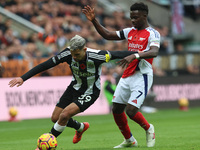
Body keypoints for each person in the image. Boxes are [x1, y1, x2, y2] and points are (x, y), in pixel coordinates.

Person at [8, 35, 137, 149]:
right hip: (74, 88)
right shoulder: (68, 54)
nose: (74, 57)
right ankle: (80, 127)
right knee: (55, 118)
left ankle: (43, 146)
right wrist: (22, 78)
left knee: (64, 116)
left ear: (84, 50)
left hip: (90, 91)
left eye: (77, 54)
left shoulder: (98, 56)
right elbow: (45, 65)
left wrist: (140, 54)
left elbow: (119, 53)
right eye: (72, 54)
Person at [83, 2, 160, 148]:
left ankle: (149, 128)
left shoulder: (153, 33)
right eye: (131, 17)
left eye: (136, 17)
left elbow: (154, 52)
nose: (133, 20)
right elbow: (108, 35)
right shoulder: (130, 31)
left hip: (142, 75)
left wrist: (135, 55)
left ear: (144, 16)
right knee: (117, 109)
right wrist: (94, 20)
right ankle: (129, 140)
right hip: (128, 74)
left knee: (131, 111)